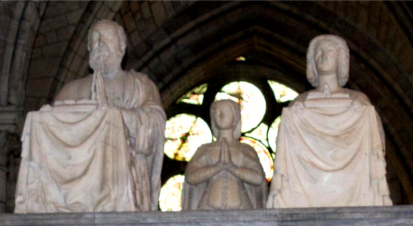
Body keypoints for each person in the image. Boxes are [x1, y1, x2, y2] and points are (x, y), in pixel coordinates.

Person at [50, 20, 165, 211]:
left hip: (130, 181)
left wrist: (113, 115)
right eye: (94, 39)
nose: (100, 43)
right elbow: (54, 135)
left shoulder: (142, 87)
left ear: (122, 46)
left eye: (106, 37)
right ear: (88, 48)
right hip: (85, 189)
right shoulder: (72, 91)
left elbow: (154, 128)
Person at [267, 34, 392, 208]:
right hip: (305, 186)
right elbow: (284, 143)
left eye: (330, 51)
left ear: (341, 59)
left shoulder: (358, 100)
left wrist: (359, 113)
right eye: (319, 52)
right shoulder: (300, 103)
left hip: (354, 187)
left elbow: (375, 137)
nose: (323, 56)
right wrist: (297, 116)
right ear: (312, 62)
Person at [182, 100, 267, 210]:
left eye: (226, 111)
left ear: (235, 117)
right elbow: (191, 176)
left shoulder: (245, 150)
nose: (221, 115)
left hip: (241, 209)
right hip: (208, 209)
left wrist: (232, 168)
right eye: (217, 112)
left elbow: (258, 178)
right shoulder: (205, 150)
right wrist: (217, 167)